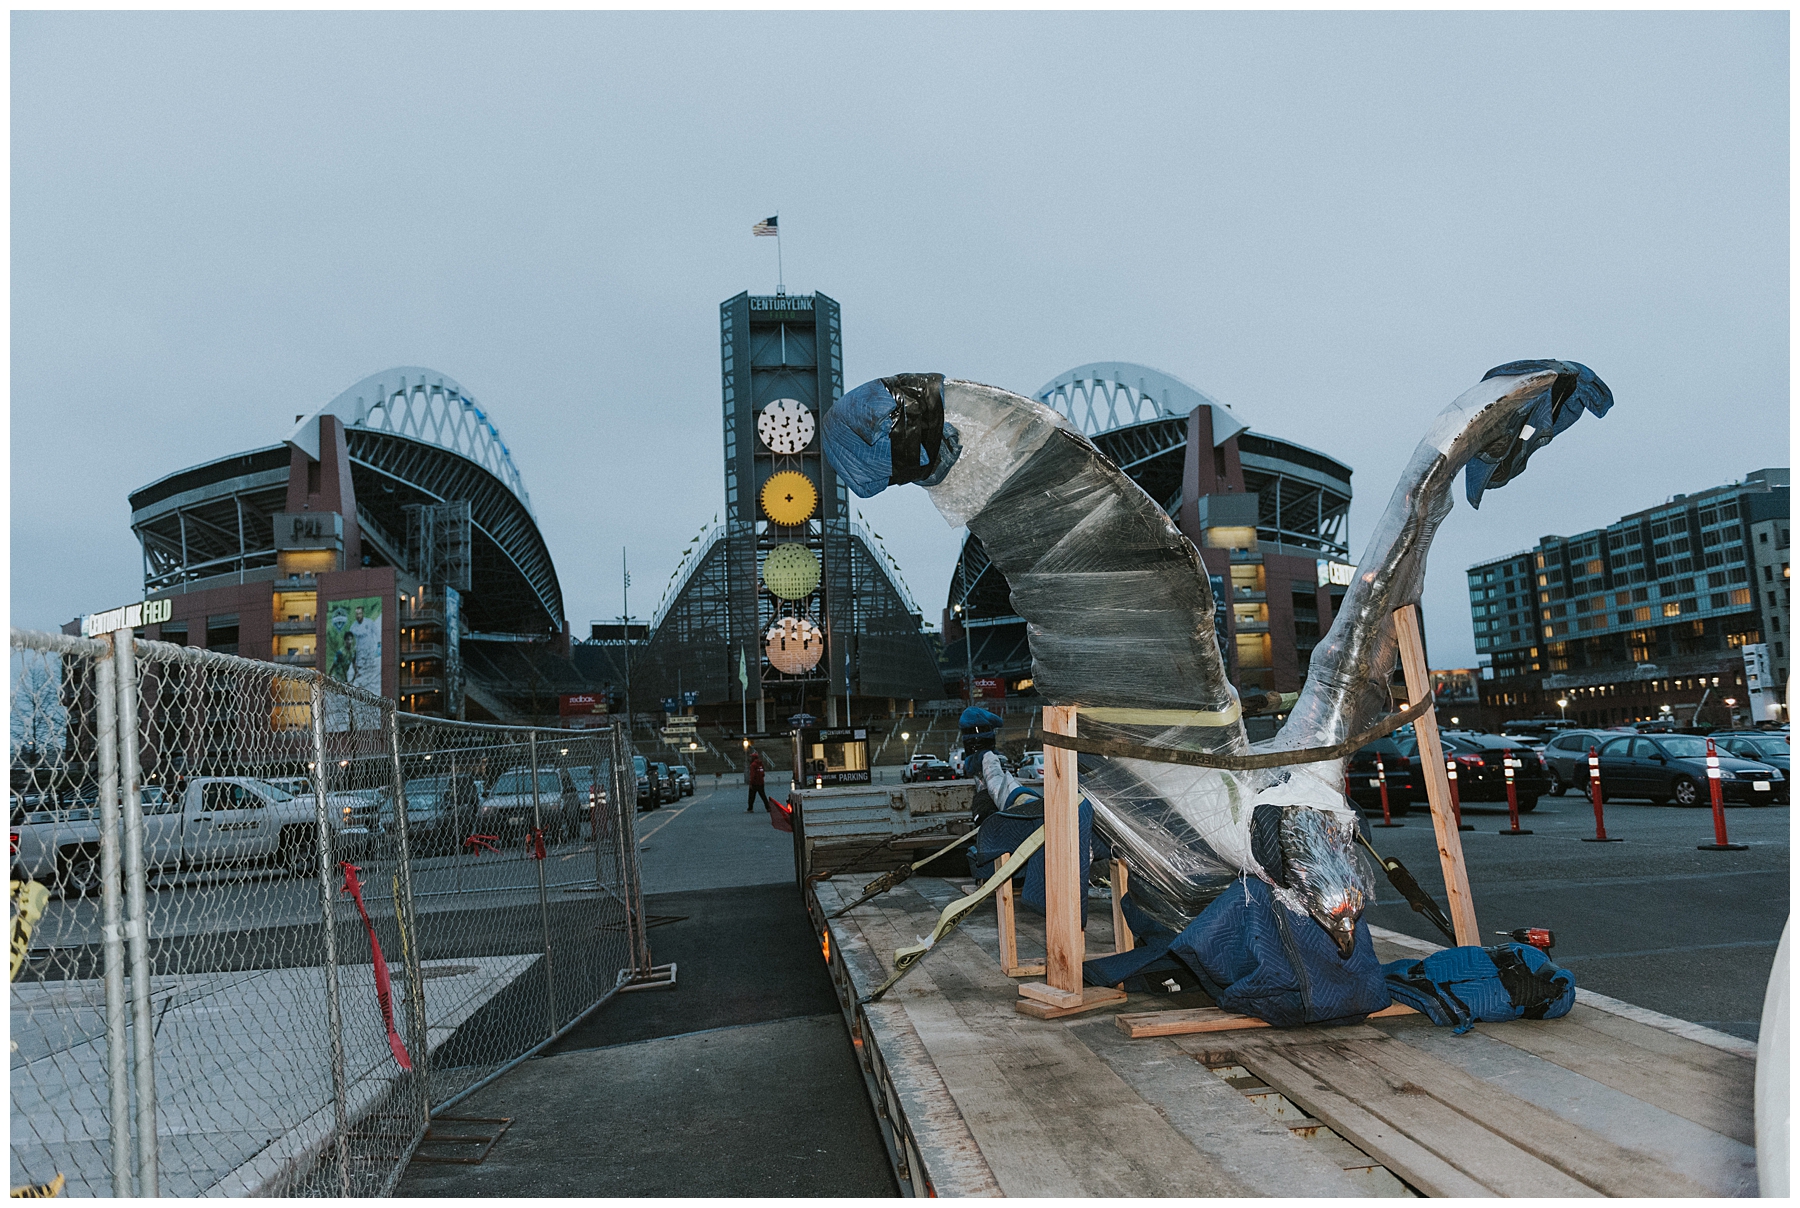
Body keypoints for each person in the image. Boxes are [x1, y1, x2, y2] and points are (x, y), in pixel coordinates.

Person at [745, 749, 771, 813]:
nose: (750, 758)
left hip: (754, 783)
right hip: (761, 782)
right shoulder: (761, 764)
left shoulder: (753, 765)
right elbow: (763, 773)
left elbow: (752, 775)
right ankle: (768, 807)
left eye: (751, 757)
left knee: (751, 796)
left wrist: (751, 783)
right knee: (763, 796)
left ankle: (750, 808)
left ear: (753, 758)